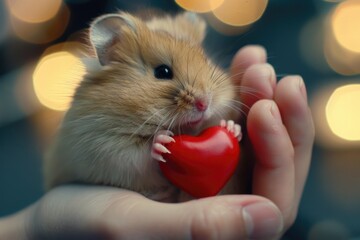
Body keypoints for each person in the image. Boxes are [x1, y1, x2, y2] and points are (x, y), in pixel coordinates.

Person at [0, 45, 314, 240]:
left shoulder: (203, 104)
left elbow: (211, 138)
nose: (201, 97)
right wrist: (30, 232)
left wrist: (226, 132)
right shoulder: (92, 118)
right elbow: (100, 159)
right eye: (164, 72)